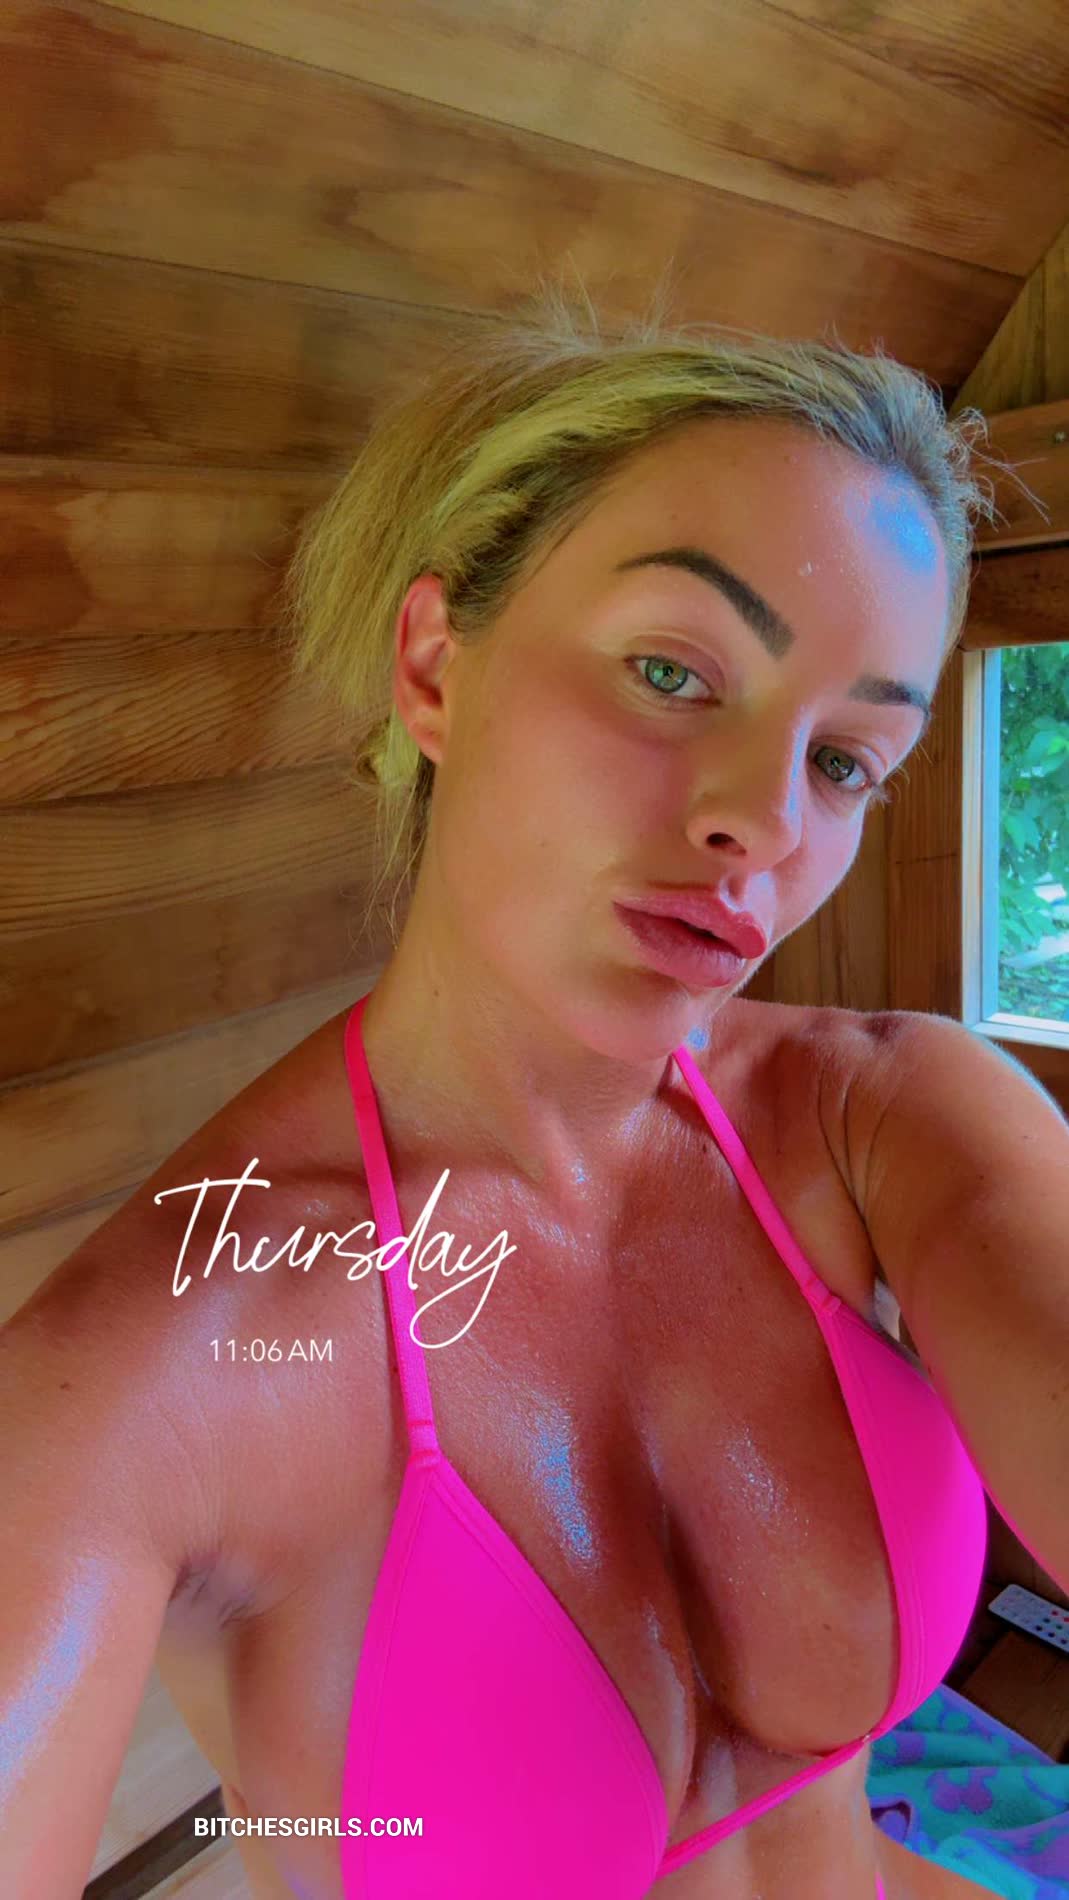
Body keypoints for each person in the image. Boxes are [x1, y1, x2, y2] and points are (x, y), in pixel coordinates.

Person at [1, 279, 1032, 1899]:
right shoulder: (162, 1367)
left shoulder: (886, 1122)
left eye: (842, 759)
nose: (763, 822)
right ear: (433, 668)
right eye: (672, 673)